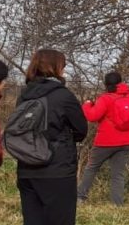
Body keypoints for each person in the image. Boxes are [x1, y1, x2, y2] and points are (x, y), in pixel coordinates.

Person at [14, 48, 87, 225]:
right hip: (57, 169)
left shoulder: (24, 95)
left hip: (27, 168)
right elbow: (81, 129)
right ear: (56, 67)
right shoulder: (63, 95)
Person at [78, 71, 129, 205]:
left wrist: (86, 105)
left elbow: (92, 116)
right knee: (118, 174)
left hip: (105, 142)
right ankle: (117, 204)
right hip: (126, 141)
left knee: (91, 168)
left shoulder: (105, 98)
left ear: (106, 84)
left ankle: (80, 198)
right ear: (121, 82)